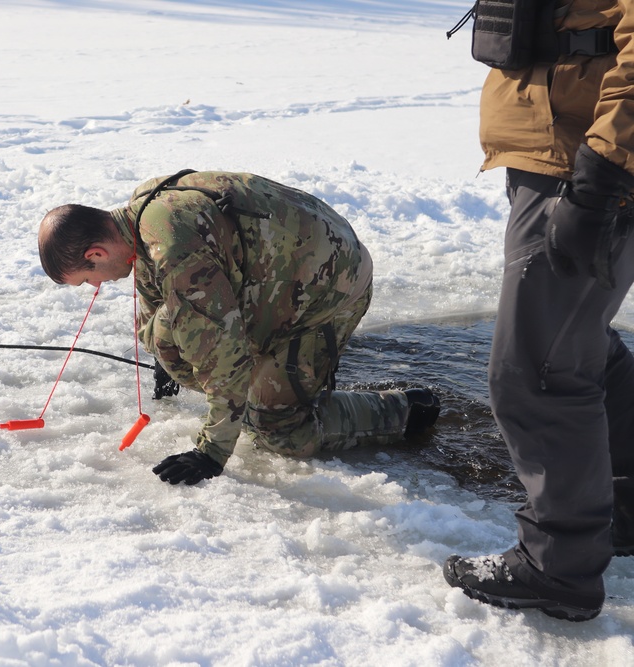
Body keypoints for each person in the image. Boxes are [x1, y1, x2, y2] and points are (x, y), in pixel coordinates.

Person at [37, 170, 441, 486]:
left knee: (277, 429)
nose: (96, 286)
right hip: (278, 276)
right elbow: (160, 292)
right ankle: (272, 385)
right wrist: (165, 354)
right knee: (175, 342)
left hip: (330, 288)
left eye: (87, 279)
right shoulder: (141, 214)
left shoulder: (175, 248)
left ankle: (403, 409)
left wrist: (211, 452)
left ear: (96, 253)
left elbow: (223, 360)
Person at [444, 0, 634, 622]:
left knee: (536, 370)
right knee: (574, 343)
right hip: (552, 148)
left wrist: (601, 175)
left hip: (588, 160)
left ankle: (559, 569)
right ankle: (622, 504)